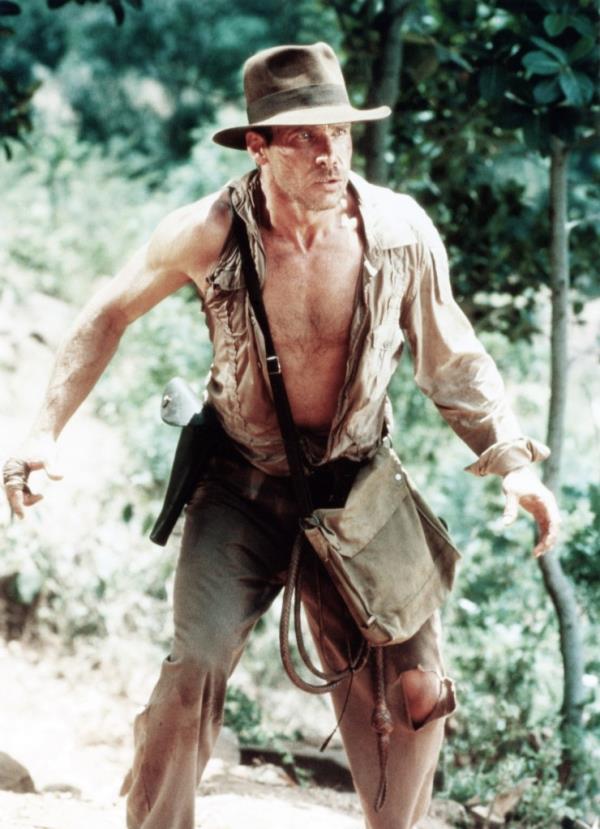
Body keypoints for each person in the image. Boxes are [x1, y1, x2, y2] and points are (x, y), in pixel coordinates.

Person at [3, 42, 560, 829]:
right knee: (191, 667)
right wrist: (41, 434)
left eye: (339, 131)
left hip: (360, 489)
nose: (330, 152)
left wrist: (511, 464)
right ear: (258, 145)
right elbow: (108, 312)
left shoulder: (398, 231)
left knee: (420, 691)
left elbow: (452, 355)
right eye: (305, 135)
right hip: (239, 483)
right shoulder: (207, 231)